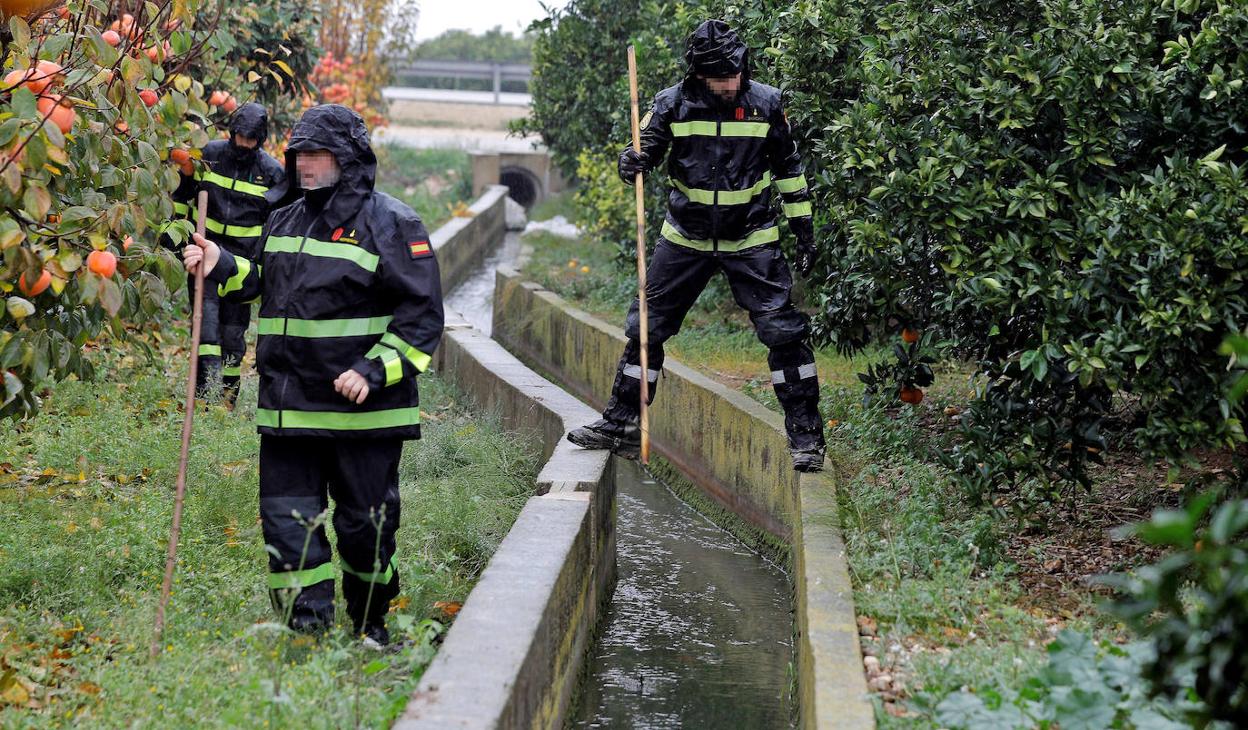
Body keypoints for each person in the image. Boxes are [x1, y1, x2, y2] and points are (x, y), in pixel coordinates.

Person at [182, 104, 445, 646]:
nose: (304, 166)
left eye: (318, 155)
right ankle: (309, 634)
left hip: (363, 418)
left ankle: (371, 622)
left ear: (348, 160)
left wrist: (373, 371)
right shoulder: (283, 219)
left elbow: (422, 318)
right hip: (287, 409)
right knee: (286, 524)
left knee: (364, 530)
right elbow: (263, 282)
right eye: (299, 154)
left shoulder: (393, 225)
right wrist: (220, 263)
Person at [567, 19, 826, 472]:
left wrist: (804, 231)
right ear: (698, 75)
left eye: (735, 73)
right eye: (719, 77)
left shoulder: (766, 104)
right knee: (646, 329)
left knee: (785, 335)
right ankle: (621, 425)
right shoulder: (672, 104)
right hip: (684, 238)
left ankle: (806, 439)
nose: (730, 83)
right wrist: (630, 161)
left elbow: (790, 171)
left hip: (752, 237)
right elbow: (640, 150)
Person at [171, 103, 286, 406]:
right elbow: (182, 196)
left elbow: (278, 224)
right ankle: (203, 397)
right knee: (205, 329)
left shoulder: (272, 173)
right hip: (204, 256)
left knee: (233, 336)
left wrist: (265, 266)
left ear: (260, 139)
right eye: (239, 138)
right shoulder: (208, 155)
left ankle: (227, 399)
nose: (243, 145)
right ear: (232, 132)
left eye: (250, 140)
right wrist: (176, 239)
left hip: (242, 268)